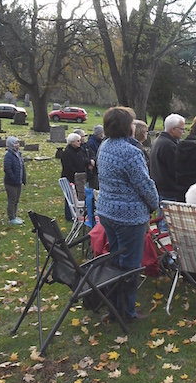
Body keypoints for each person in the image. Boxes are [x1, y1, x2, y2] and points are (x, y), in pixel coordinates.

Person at [97, 106, 159, 321]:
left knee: (116, 262)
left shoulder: (105, 146)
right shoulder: (131, 152)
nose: (135, 126)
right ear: (126, 127)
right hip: (127, 216)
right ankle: (126, 313)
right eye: (132, 123)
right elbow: (144, 184)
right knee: (130, 266)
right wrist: (155, 203)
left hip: (107, 212)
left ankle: (114, 307)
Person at [149, 113, 186, 201]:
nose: (183, 132)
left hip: (160, 189)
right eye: (182, 129)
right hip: (169, 192)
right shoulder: (169, 145)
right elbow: (176, 170)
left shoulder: (158, 141)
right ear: (173, 129)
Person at [61, 132, 89, 221]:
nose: (80, 142)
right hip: (70, 177)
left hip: (80, 177)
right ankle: (69, 215)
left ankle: (78, 213)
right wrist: (76, 173)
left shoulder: (79, 150)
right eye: (77, 141)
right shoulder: (67, 153)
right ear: (72, 142)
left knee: (78, 195)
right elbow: (68, 167)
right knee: (70, 196)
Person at [3, 136, 27, 225]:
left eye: (18, 143)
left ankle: (15, 215)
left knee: (16, 200)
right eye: (15, 143)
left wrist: (23, 178)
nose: (17, 145)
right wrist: (13, 178)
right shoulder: (9, 155)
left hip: (18, 182)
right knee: (12, 200)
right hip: (11, 183)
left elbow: (22, 167)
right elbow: (7, 169)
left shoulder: (19, 154)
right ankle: (11, 217)